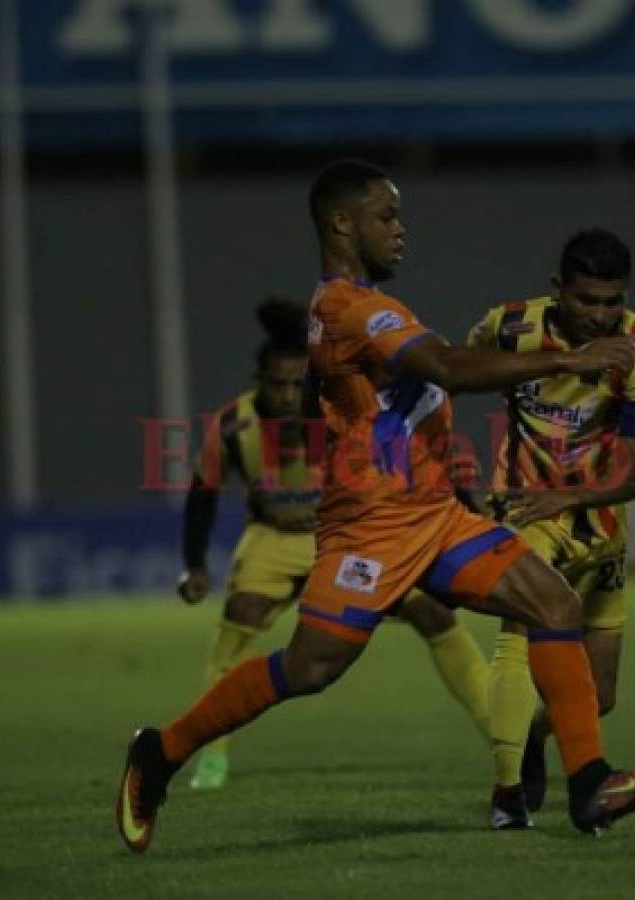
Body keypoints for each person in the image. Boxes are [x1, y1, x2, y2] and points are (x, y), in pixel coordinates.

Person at [116, 159, 635, 853]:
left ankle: (589, 784)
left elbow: (407, 384)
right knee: (311, 668)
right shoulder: (353, 308)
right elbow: (445, 368)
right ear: (343, 223)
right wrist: (563, 363)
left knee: (553, 605)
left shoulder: (359, 305)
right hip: (370, 531)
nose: (401, 231)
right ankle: (160, 753)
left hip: (433, 516)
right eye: (387, 217)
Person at [177, 298, 493, 791]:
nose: (285, 395)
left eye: (293, 383)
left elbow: (426, 455)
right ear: (258, 380)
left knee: (433, 614)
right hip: (276, 537)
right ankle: (211, 759)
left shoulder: (345, 408)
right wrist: (194, 565)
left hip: (353, 534)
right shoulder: (234, 426)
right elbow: (203, 495)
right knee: (240, 616)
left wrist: (468, 504)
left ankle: (502, 732)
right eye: (275, 384)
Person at [467, 228, 635, 827]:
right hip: (525, 515)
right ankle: (507, 795)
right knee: (518, 632)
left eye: (613, 302)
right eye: (587, 301)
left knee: (598, 696)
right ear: (558, 291)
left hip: (600, 525)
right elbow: (460, 369)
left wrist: (569, 495)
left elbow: (631, 477)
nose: (601, 315)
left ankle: (530, 737)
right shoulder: (508, 327)